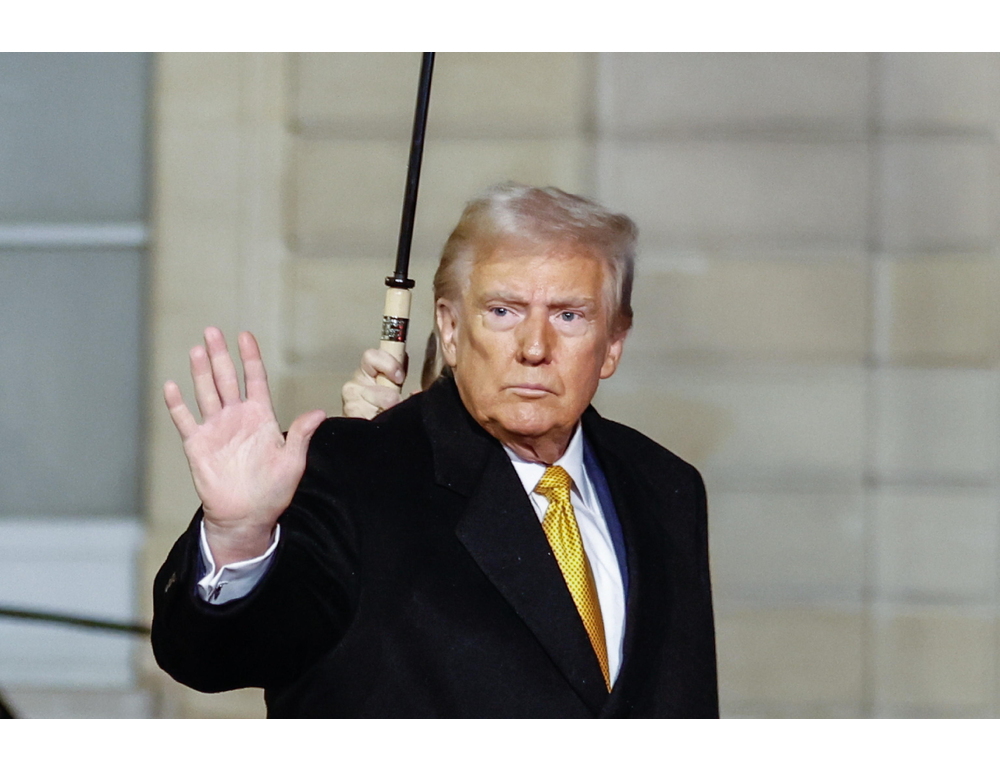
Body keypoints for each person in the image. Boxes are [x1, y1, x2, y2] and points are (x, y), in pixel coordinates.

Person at [152, 183, 718, 717]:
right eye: (503, 311)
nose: (534, 347)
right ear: (449, 329)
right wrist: (238, 538)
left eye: (569, 315)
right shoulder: (354, 471)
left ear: (613, 343)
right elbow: (215, 656)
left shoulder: (666, 487)